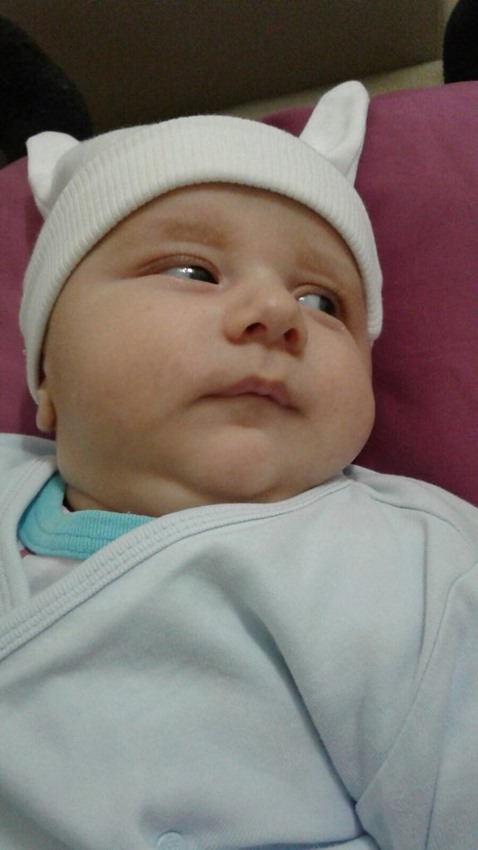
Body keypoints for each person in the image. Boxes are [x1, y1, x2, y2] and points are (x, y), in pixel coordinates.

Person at [0, 81, 477, 850]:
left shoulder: (415, 569)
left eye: (324, 303)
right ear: (47, 376)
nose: (278, 313)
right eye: (193, 273)